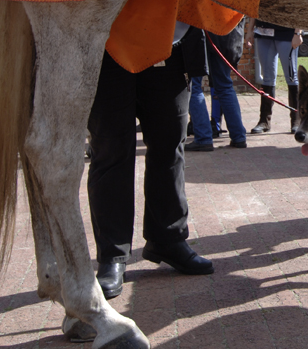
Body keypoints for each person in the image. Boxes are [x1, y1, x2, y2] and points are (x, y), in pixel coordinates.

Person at [87, 22, 214, 299]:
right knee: (111, 150)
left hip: (170, 40)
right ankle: (112, 254)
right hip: (108, 40)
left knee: (170, 145)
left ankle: (167, 238)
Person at [184, 21, 247, 151]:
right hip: (225, 34)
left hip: (199, 31)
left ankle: (203, 138)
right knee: (224, 86)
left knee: (194, 86)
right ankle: (238, 136)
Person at [245, 20, 302, 134]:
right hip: (263, 34)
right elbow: (254, 7)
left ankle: (297, 121)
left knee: (291, 77)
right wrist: (249, 30)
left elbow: (298, 7)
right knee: (267, 78)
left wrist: (298, 33)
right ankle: (264, 121)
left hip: (287, 33)